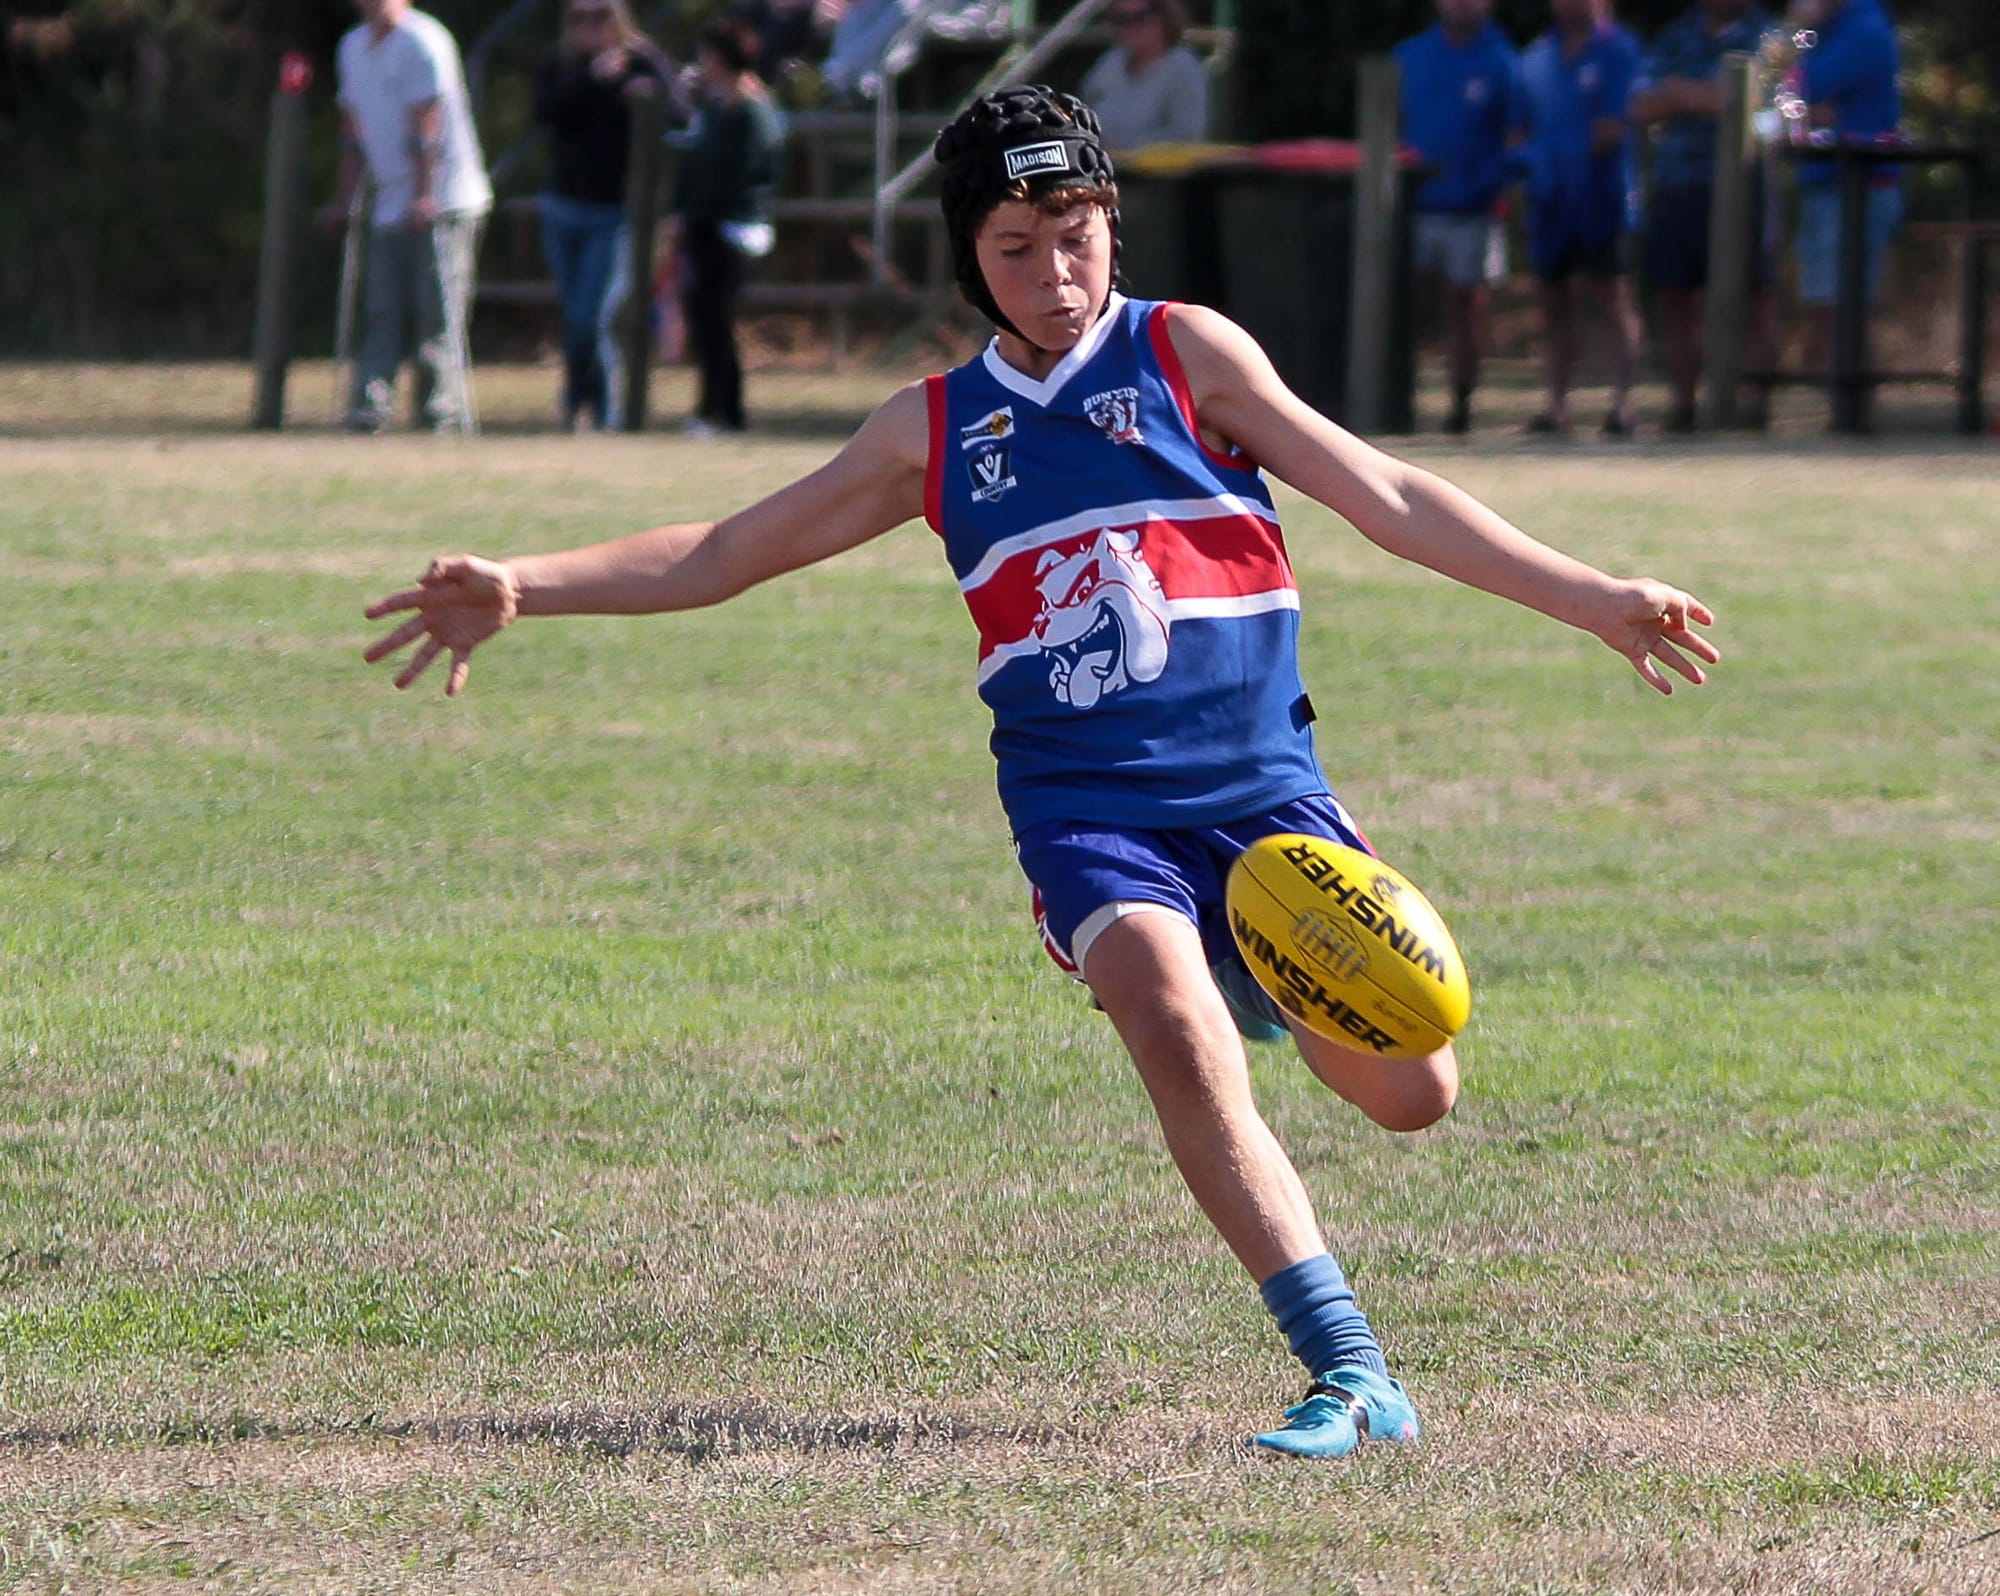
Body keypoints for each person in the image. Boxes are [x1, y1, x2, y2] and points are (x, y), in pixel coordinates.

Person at [364, 85, 1719, 1458]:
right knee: (1166, 1019)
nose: (1057, 273)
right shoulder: (933, 431)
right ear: (970, 260)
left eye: (1077, 235)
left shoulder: (1190, 354)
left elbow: (1391, 493)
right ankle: (1350, 1367)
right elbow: (723, 549)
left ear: (1113, 229)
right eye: (1016, 247)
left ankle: (1253, 974)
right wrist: (525, 583)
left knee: (1413, 1091)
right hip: (1089, 811)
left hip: (1263, 799)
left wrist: (1591, 594)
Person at [327, 0, 492, 433]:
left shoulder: (423, 41)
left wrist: (424, 197)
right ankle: (369, 406)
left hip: (446, 201)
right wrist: (346, 200)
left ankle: (438, 410)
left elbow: (429, 125)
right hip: (390, 200)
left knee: (435, 310)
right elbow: (352, 132)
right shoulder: (352, 46)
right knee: (381, 308)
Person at [1630, 0, 1777, 434]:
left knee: (1754, 298)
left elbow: (1760, 101)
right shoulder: (1677, 35)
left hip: (1744, 188)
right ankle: (1683, 404)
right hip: (1678, 184)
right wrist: (1707, 98)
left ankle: (1752, 403)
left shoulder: (1767, 36)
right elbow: (1640, 106)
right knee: (1674, 296)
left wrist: (1680, 95)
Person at [534, 0, 681, 433]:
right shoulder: (560, 63)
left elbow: (682, 115)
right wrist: (591, 79)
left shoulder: (643, 60)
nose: (589, 26)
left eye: (599, 16)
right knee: (576, 317)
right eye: (578, 17)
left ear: (618, 18)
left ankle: (596, 408)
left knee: (589, 316)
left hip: (614, 215)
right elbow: (543, 114)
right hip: (562, 207)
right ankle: (585, 407)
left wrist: (642, 92)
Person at [1511, 0, 1643, 437]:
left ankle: (1621, 404)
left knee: (1612, 297)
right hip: (1550, 200)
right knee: (1552, 303)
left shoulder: (1620, 51)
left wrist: (1561, 155)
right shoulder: (1537, 57)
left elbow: (1613, 126)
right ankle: (1556, 405)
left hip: (1602, 199)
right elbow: (1519, 129)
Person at [1393, 0, 1520, 436]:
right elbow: (1391, 125)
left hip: (1474, 210)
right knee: (1405, 306)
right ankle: (1396, 400)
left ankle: (1460, 407)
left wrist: (1496, 186)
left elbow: (1516, 134)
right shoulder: (1410, 56)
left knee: (1466, 308)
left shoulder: (1503, 61)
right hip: (1412, 207)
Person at [664, 20, 783, 437]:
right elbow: (694, 167)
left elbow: (744, 175)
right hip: (704, 227)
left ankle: (723, 412)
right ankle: (714, 409)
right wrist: (681, 211)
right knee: (705, 320)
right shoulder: (715, 108)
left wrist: (698, 211)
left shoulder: (754, 111)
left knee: (715, 320)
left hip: (734, 230)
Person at [1788, 0, 1902, 423]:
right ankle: (1843, 412)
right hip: (1826, 183)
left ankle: (1854, 415)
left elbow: (1802, 86)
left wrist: (1804, 100)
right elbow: (1790, 98)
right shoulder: (1828, 30)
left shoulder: (1864, 26)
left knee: (1847, 304)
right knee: (1828, 304)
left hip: (1861, 188)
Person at [1079, 0, 1209, 151]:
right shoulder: (1110, 63)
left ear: (1163, 17)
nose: (1130, 27)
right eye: (1121, 19)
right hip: (1101, 165)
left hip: (1157, 171)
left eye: (1139, 17)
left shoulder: (1182, 67)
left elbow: (1187, 135)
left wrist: (1125, 145)